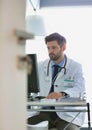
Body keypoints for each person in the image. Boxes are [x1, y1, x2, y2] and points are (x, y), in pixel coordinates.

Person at [27, 32, 85, 130]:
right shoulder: (40, 66)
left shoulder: (75, 67)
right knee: (20, 125)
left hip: (65, 114)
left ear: (63, 48)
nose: (50, 51)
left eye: (54, 47)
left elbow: (79, 88)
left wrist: (62, 93)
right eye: (48, 48)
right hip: (43, 112)